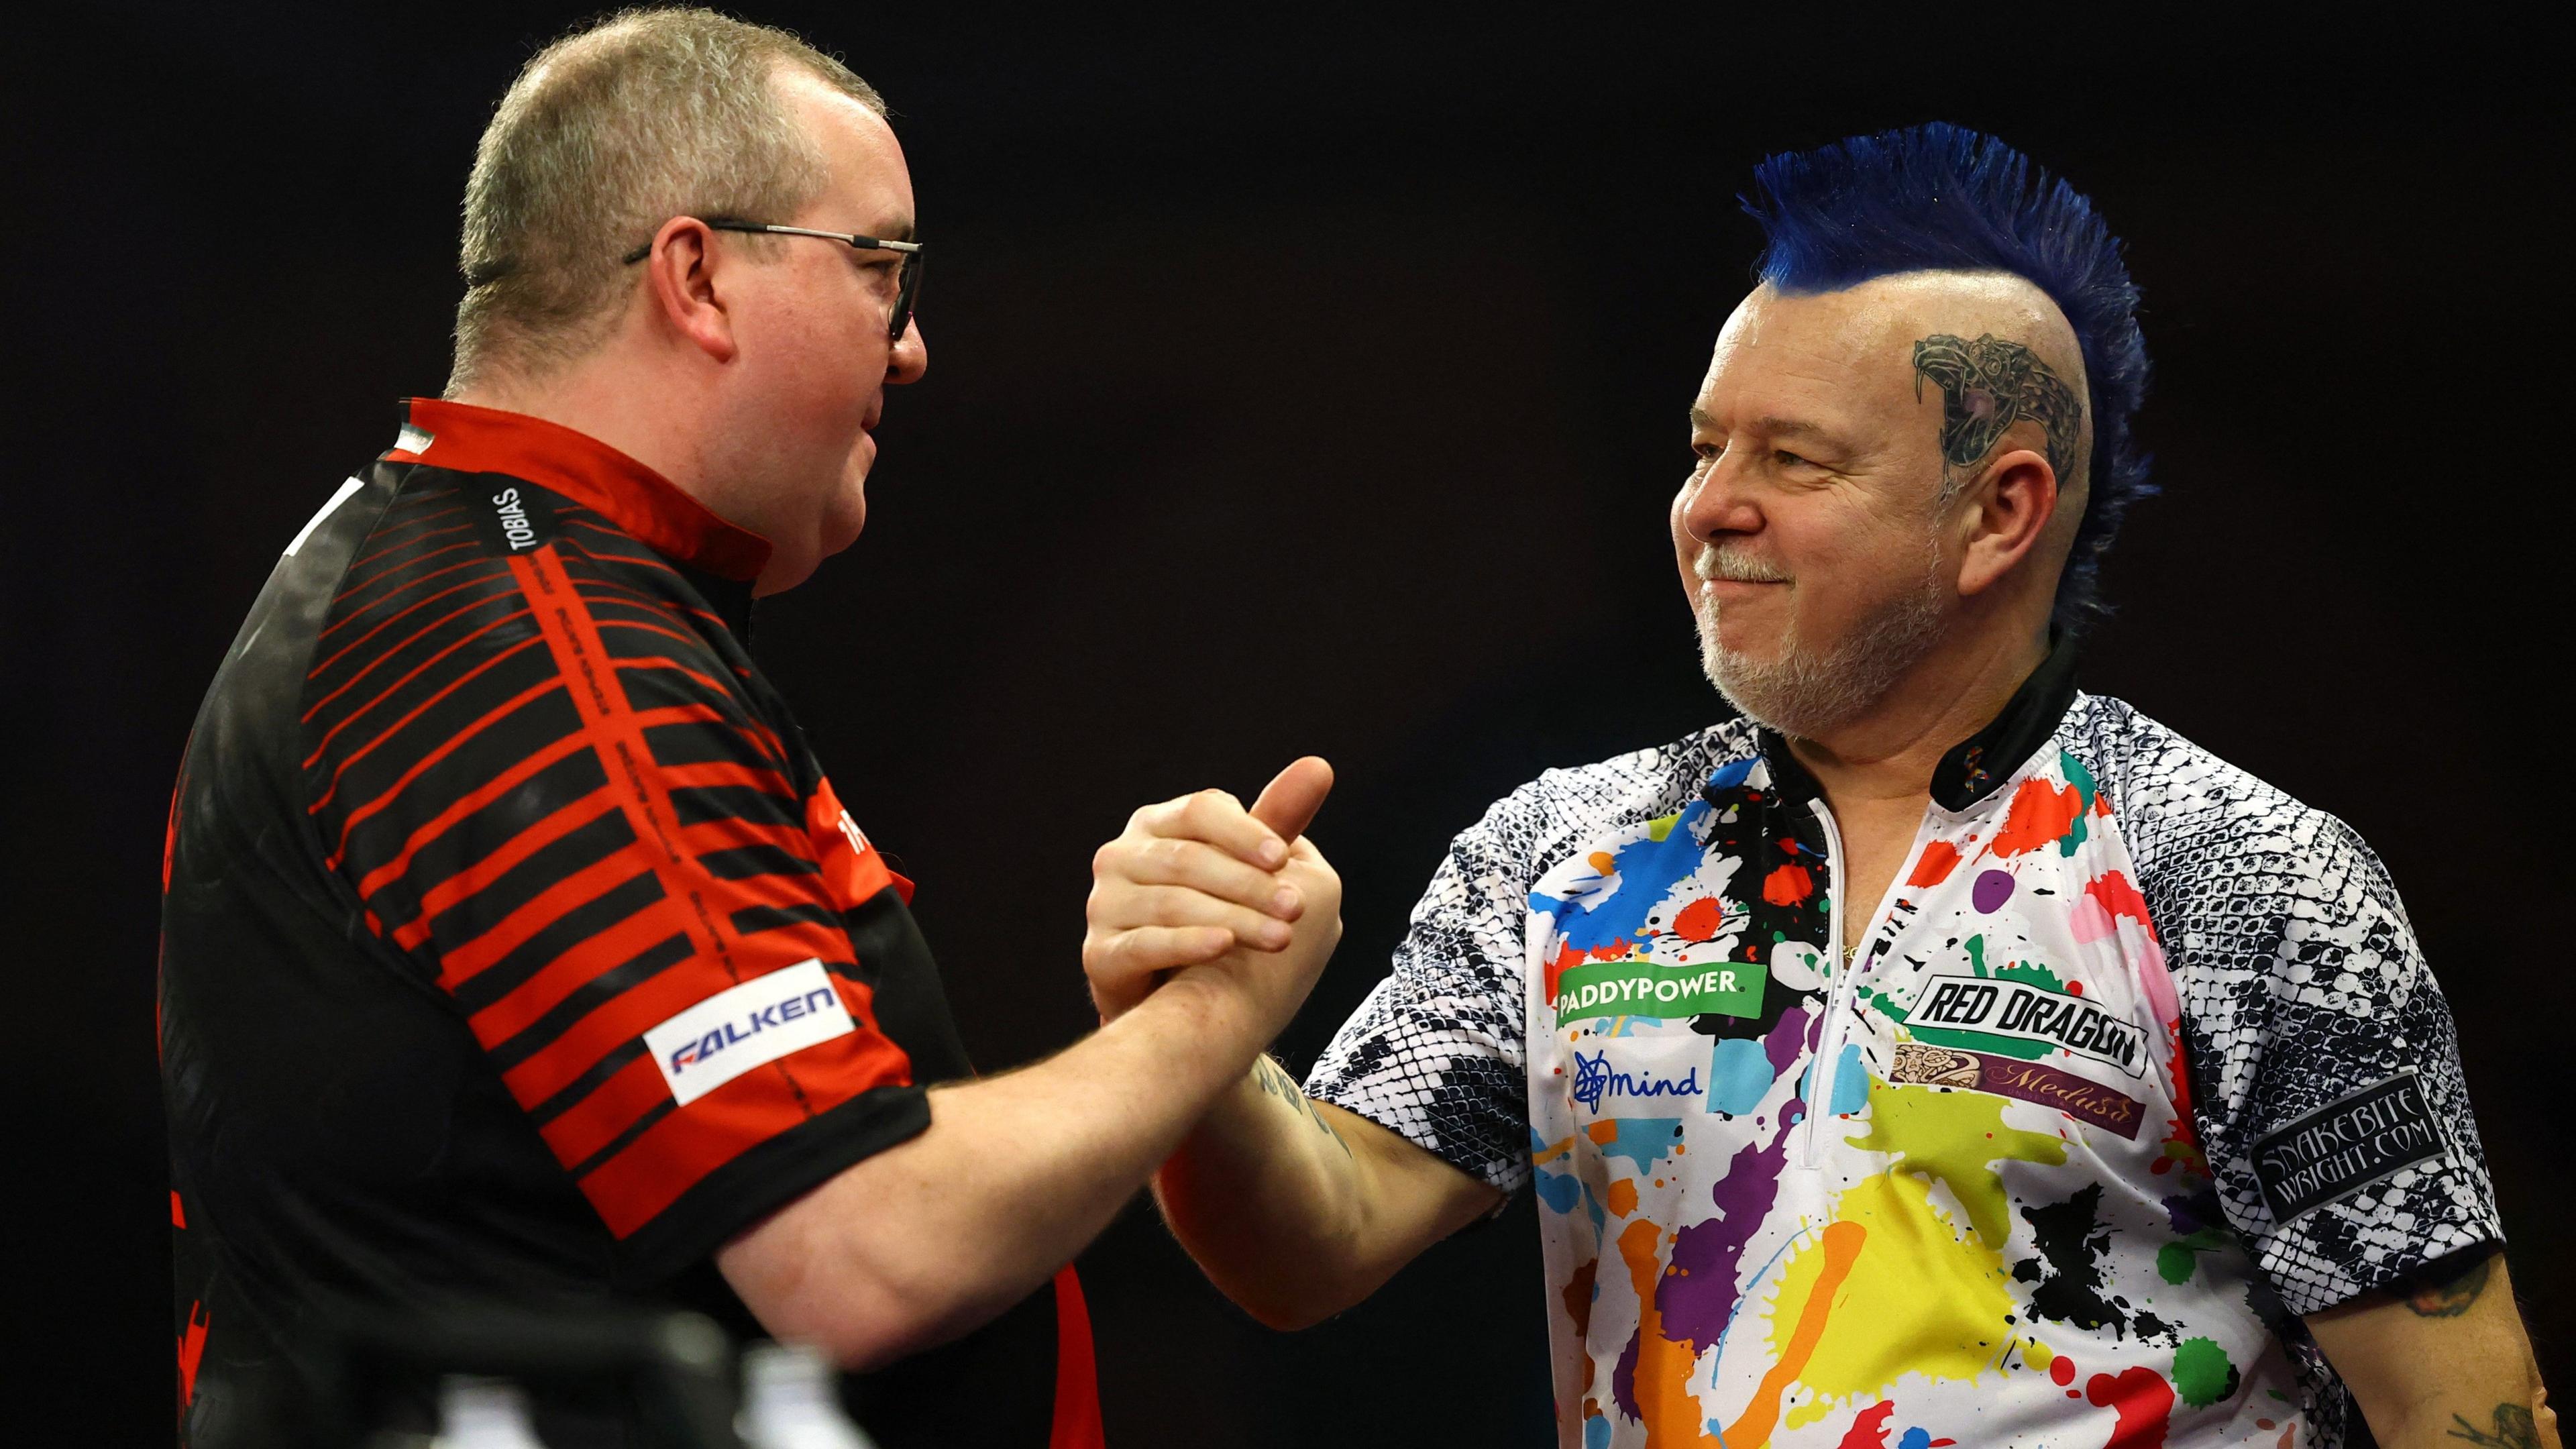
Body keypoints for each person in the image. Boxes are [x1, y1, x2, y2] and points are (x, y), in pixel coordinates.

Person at [1083, 125, 2558, 1448]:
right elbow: (1307, 1246)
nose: (1711, 506)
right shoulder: (1565, 855)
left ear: (2001, 511)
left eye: (1793, 458)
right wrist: (1195, 1039)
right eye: (1705, 445)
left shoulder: (2238, 871)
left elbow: (2459, 1410)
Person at [157, 11, 1343, 1447]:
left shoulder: (439, 568)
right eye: (880, 270)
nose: (910, 349)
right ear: (699, 277)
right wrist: (1218, 1012)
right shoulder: (531, 641)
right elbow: (859, 1249)